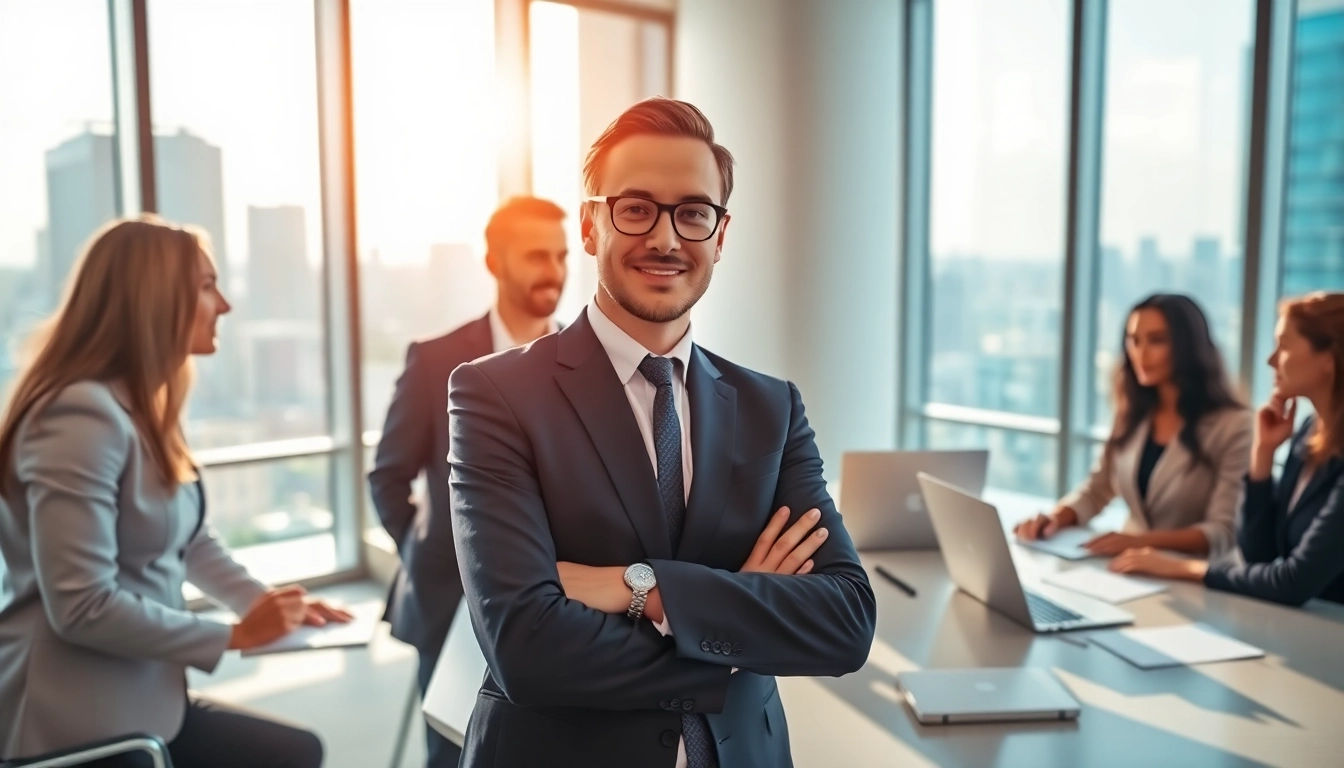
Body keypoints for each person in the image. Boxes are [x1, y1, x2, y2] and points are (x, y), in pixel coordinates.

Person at [443, 97, 876, 768]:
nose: (667, 239)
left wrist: (637, 586)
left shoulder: (771, 407)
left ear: (720, 236)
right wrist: (735, 636)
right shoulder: (495, 394)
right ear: (591, 225)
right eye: (636, 208)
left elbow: (845, 622)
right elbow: (526, 647)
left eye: (693, 213)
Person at [0, 216, 350, 766]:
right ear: (154, 300)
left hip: (146, 700)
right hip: (75, 721)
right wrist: (233, 635)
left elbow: (189, 540)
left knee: (296, 751)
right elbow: (81, 605)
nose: (226, 305)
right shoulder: (80, 415)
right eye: (208, 286)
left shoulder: (142, 405)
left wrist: (268, 606)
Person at [368, 196, 568, 767]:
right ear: (494, 261)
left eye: (559, 255)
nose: (553, 271)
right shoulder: (436, 362)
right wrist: (438, 553)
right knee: (452, 753)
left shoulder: (588, 362)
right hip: (451, 603)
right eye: (535, 255)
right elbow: (388, 476)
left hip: (558, 606)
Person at [1112, 292, 1344, 606]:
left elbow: (1293, 581)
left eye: (1284, 346)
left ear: (1329, 359)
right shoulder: (1309, 433)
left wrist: (1187, 568)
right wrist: (1263, 456)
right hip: (1306, 625)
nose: (1271, 360)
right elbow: (1259, 555)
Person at [1016, 294, 1250, 557]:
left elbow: (1222, 531)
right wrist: (1055, 518)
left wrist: (1138, 542)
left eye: (1157, 340)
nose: (1140, 353)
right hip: (1131, 570)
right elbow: (1097, 490)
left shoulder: (1235, 426)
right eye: (1133, 340)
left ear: (1188, 347)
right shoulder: (1132, 412)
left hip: (1196, 579)